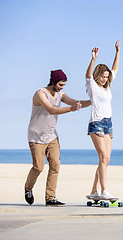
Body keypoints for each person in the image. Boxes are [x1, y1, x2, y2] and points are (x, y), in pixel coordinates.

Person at [25, 69, 91, 206]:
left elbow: (76, 102)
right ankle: (28, 188)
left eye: (63, 85)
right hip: (36, 136)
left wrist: (92, 101)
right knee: (38, 167)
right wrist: (70, 109)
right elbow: (50, 109)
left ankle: (50, 198)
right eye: (60, 84)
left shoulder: (60, 94)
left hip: (52, 136)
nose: (62, 87)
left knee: (55, 165)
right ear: (53, 82)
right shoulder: (40, 94)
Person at [85, 40, 120, 200]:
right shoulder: (92, 86)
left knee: (106, 159)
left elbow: (115, 69)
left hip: (108, 124)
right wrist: (93, 59)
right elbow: (87, 75)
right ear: (97, 76)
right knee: (103, 157)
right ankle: (104, 190)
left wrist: (117, 52)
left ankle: (94, 191)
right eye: (103, 76)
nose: (105, 79)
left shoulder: (107, 88)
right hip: (97, 123)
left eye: (107, 77)